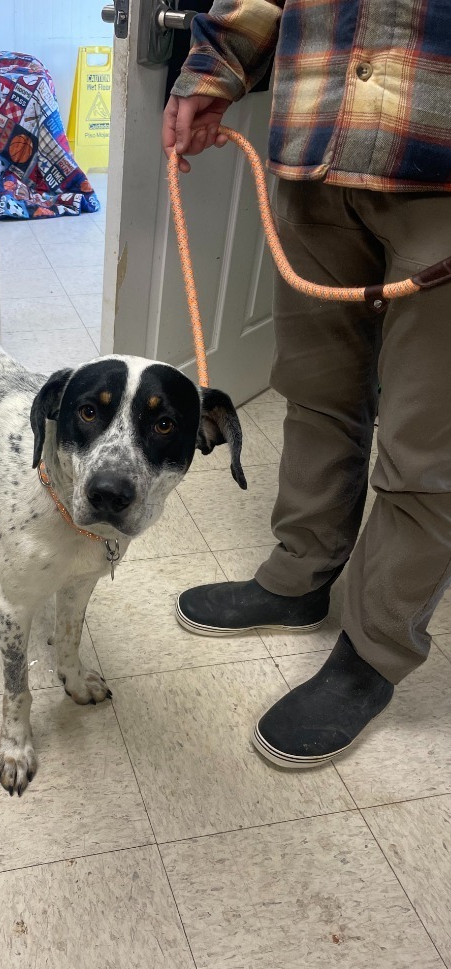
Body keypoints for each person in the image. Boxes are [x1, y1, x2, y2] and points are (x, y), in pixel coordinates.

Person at [162, 1, 451, 768]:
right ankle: (299, 578)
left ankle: (375, 653)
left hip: (443, 167)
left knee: (428, 446)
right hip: (314, 151)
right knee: (317, 395)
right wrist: (213, 67)